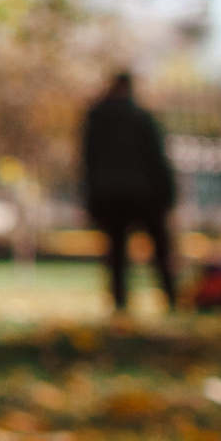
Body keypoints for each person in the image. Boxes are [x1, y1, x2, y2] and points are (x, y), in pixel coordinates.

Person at [80, 71, 178, 314]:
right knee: (160, 249)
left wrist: (92, 196)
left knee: (116, 253)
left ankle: (120, 301)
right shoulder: (140, 117)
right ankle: (170, 297)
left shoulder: (96, 118)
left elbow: (87, 161)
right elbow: (156, 158)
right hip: (144, 194)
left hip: (110, 194)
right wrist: (168, 193)